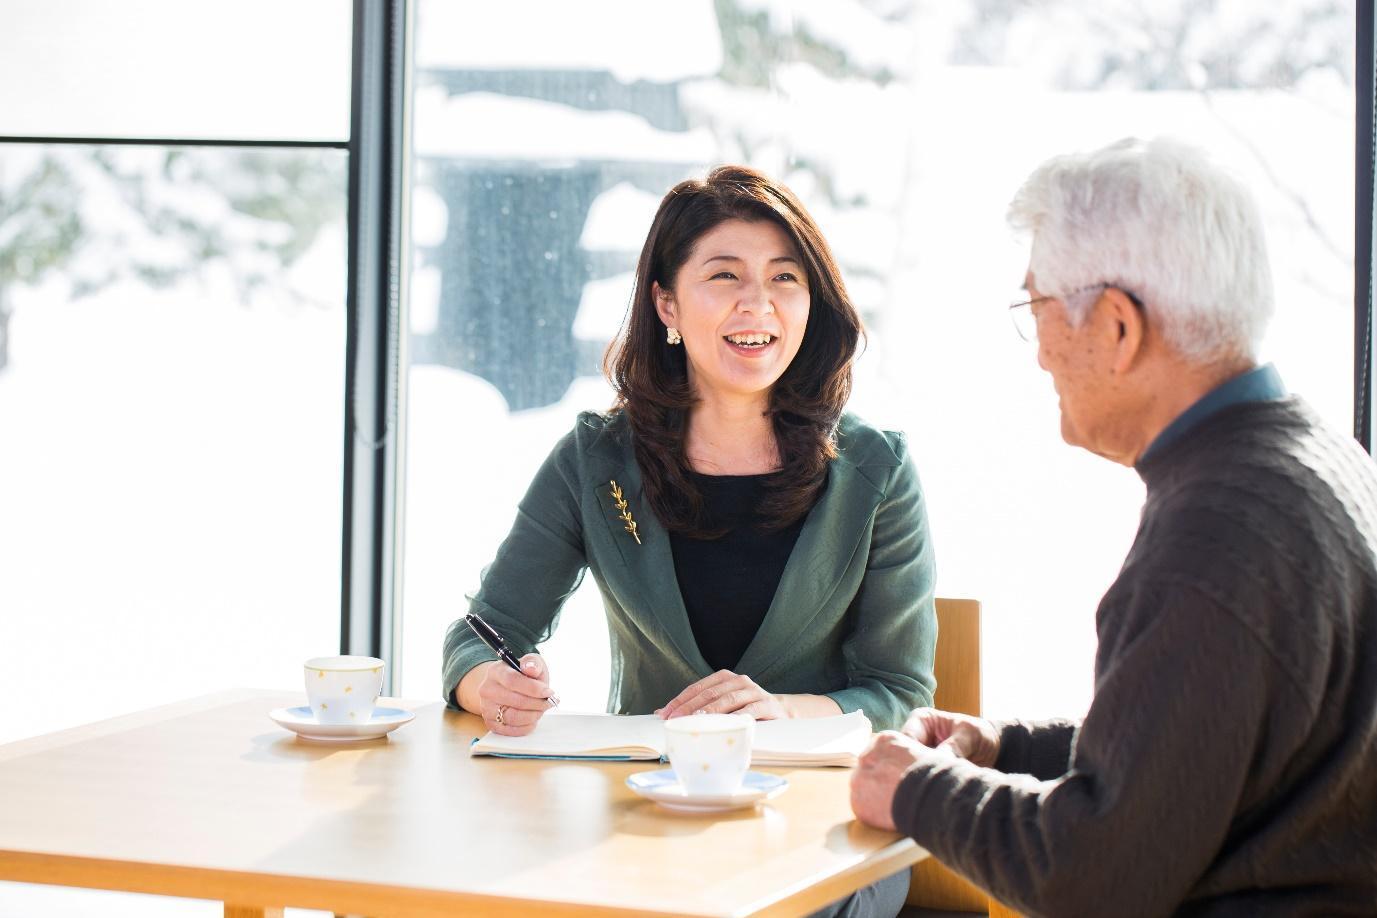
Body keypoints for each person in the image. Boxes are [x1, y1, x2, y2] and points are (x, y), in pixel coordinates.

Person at [849, 136, 1377, 916]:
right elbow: (1194, 749)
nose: (1038, 358)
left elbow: (1090, 879)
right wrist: (1006, 749)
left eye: (1036, 309)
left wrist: (918, 791)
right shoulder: (1309, 460)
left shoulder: (1214, 539)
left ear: (1117, 327)